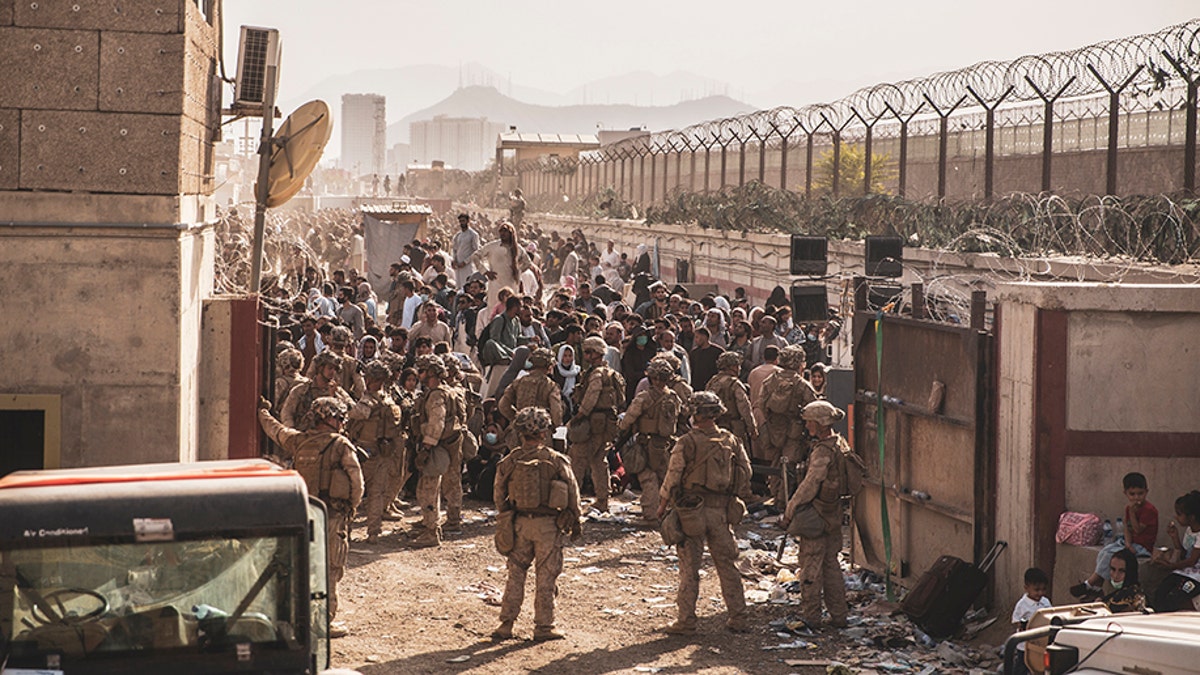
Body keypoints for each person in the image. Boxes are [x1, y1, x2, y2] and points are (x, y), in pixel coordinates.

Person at [257, 396, 363, 635]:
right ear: (327, 418)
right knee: (331, 569)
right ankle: (324, 622)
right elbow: (357, 481)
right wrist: (352, 508)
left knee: (305, 566)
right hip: (333, 515)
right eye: (337, 417)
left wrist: (263, 412)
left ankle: (302, 618)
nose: (341, 421)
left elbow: (276, 430)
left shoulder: (299, 441)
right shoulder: (341, 445)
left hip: (305, 514)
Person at [658, 391, 752, 634]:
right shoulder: (731, 440)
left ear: (695, 414)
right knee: (727, 565)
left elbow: (673, 477)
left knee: (690, 567)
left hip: (692, 512)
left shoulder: (686, 442)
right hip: (720, 511)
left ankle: (686, 621)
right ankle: (739, 617)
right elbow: (746, 473)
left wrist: (662, 505)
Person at [491, 407, 582, 642]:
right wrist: (576, 519)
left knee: (516, 574)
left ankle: (506, 624)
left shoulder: (510, 461)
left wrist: (506, 517)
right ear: (544, 433)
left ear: (520, 433)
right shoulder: (555, 460)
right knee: (546, 576)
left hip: (520, 524)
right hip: (548, 527)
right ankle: (544, 626)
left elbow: (499, 494)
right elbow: (573, 492)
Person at [782, 400, 852, 629]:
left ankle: (812, 617)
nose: (807, 426)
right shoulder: (840, 444)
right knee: (832, 566)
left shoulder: (822, 451)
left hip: (818, 516)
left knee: (811, 567)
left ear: (819, 423)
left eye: (810, 422)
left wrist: (790, 510)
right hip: (833, 514)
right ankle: (839, 616)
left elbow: (810, 485)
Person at [1070, 472, 1158, 600]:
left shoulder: (1149, 510)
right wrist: (1127, 544)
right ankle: (1096, 588)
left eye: (1140, 493)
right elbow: (1127, 528)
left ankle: (1089, 584)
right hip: (1130, 543)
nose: (1136, 498)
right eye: (1132, 494)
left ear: (1146, 492)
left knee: (1110, 555)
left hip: (1142, 547)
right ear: (1126, 493)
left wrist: (1132, 514)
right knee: (1104, 552)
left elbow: (1137, 530)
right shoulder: (1129, 508)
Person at [345, 360, 405, 544]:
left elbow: (354, 414)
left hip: (365, 450)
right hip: (384, 451)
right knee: (377, 493)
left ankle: (346, 531)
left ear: (371, 379)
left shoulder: (368, 401)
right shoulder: (388, 400)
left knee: (352, 491)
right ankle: (373, 532)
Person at [410, 354, 466, 548]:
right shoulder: (448, 391)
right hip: (450, 444)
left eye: (423, 371)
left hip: (437, 447)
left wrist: (426, 447)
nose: (419, 374)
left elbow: (436, 422)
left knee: (428, 488)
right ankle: (435, 521)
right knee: (449, 482)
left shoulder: (436, 395)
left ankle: (431, 531)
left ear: (432, 373)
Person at [617, 359, 682, 524]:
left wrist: (622, 428)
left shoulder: (644, 397)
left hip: (646, 443)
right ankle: (670, 510)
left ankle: (651, 514)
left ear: (653, 378)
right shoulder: (673, 397)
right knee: (665, 477)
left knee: (647, 478)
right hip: (665, 443)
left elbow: (628, 419)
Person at [568, 336, 624, 513]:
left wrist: (580, 414)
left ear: (596, 353)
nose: (585, 355)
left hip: (593, 422)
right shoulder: (610, 373)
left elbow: (592, 394)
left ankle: (573, 501)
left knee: (578, 460)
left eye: (587, 352)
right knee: (599, 461)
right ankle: (602, 500)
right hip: (605, 424)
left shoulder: (597, 374)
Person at [758, 345, 818, 502]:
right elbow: (814, 408)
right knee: (789, 465)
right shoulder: (802, 384)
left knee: (776, 463)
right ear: (799, 363)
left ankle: (774, 496)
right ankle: (783, 501)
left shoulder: (770, 381)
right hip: (794, 430)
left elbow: (761, 404)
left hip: (773, 429)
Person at [498, 348, 564, 446]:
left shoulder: (518, 382)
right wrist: (552, 426)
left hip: (519, 433)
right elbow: (556, 413)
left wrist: (517, 418)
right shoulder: (551, 386)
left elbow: (503, 405)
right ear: (549, 365)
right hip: (541, 435)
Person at [1151, 490, 1200, 612]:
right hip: (1183, 572)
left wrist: (1171, 566)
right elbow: (1185, 554)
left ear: (1192, 517)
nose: (1176, 517)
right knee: (1160, 593)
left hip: (1196, 576)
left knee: (1175, 598)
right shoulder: (1190, 530)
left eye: (1179, 514)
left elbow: (1192, 561)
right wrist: (1175, 537)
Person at [281, 351, 355, 430]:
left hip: (329, 438)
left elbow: (353, 411)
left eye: (335, 369)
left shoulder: (338, 392)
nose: (333, 372)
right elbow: (287, 413)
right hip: (305, 437)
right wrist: (293, 432)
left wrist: (334, 397)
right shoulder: (301, 390)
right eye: (330, 368)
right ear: (320, 368)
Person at [471, 222, 532, 312]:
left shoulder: (518, 248)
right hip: (495, 282)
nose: (503, 233)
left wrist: (517, 271)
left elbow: (527, 263)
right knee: (493, 309)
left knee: (510, 309)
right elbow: (475, 256)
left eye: (506, 231)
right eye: (501, 231)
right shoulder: (492, 246)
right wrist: (485, 272)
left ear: (511, 233)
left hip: (511, 283)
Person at [707, 351, 759, 452]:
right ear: (733, 367)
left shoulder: (713, 381)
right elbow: (744, 408)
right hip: (734, 427)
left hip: (716, 427)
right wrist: (752, 428)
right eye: (738, 366)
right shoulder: (735, 384)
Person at [1009, 568, 1052, 675]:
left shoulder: (1045, 601)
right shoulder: (1022, 605)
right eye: (1037, 590)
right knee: (1022, 667)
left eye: (1043, 589)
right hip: (1024, 645)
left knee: (1040, 666)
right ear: (1026, 588)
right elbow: (1015, 621)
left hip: (1040, 643)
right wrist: (1025, 625)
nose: (1040, 593)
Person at [1100, 548, 1146, 613]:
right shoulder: (1116, 594)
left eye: (1121, 571)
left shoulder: (1132, 597)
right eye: (1113, 569)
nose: (1116, 575)